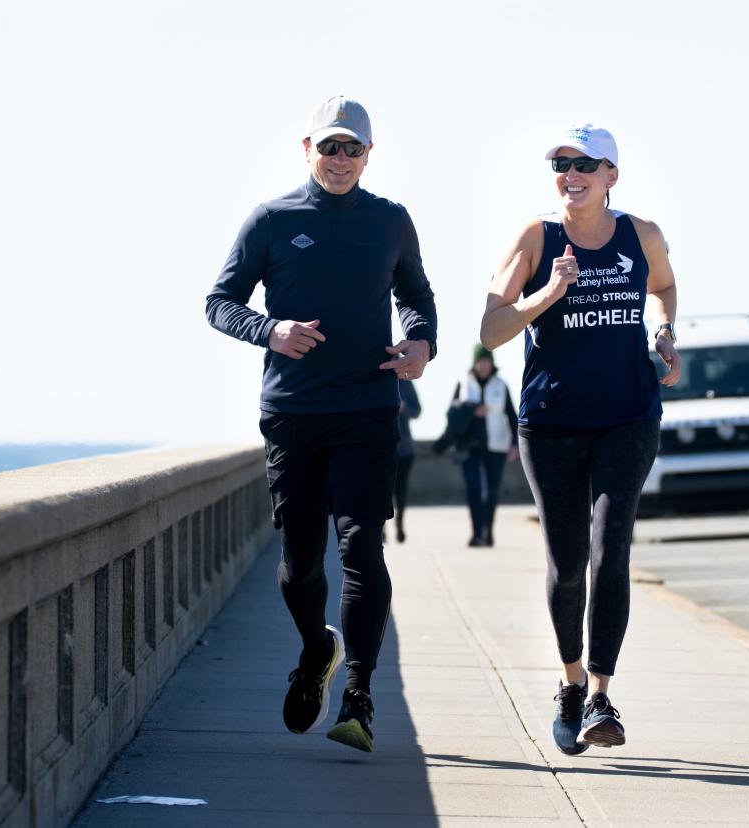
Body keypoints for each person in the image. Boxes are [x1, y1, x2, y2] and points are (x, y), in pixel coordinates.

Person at [204, 96, 438, 753]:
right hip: (294, 415)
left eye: (352, 148)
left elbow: (416, 296)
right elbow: (218, 302)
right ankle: (316, 653)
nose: (340, 159)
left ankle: (359, 696)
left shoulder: (389, 221)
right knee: (299, 566)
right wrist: (270, 330)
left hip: (367, 410)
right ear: (306, 149)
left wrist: (421, 343)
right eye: (329, 147)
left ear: (369, 154)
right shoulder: (272, 221)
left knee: (363, 550)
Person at [479, 124, 681, 755]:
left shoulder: (640, 235)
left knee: (609, 549)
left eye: (585, 164)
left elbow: (665, 287)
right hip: (552, 423)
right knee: (568, 566)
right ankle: (569, 683)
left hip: (628, 415)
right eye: (562, 165)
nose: (571, 174)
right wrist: (549, 291)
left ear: (611, 175)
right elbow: (491, 330)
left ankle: (600, 694)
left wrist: (666, 333)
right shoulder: (537, 238)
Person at [449, 345, 519, 547]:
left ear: (491, 363)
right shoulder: (463, 383)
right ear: (474, 363)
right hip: (469, 445)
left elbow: (512, 416)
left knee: (492, 490)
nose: (483, 366)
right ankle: (476, 532)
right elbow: (452, 414)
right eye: (479, 361)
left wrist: (515, 444)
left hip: (495, 445)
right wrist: (472, 411)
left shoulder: (500, 385)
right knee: (473, 488)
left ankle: (488, 530)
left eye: (486, 361)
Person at [393, 379, 420, 543]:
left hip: (404, 449)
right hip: (378, 447)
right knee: (381, 492)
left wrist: (404, 408)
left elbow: (417, 410)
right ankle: (381, 529)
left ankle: (400, 525)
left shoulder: (406, 380)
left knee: (400, 491)